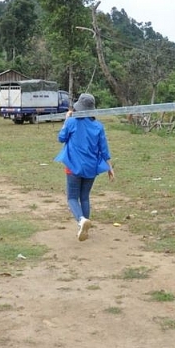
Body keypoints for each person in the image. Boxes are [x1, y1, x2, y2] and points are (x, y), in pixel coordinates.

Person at [54, 93, 114, 241]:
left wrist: (66, 120)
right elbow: (104, 149)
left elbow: (61, 138)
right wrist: (110, 168)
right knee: (85, 197)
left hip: (73, 166)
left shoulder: (72, 122)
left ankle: (81, 221)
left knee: (72, 198)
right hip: (91, 167)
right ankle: (84, 227)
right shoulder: (98, 126)